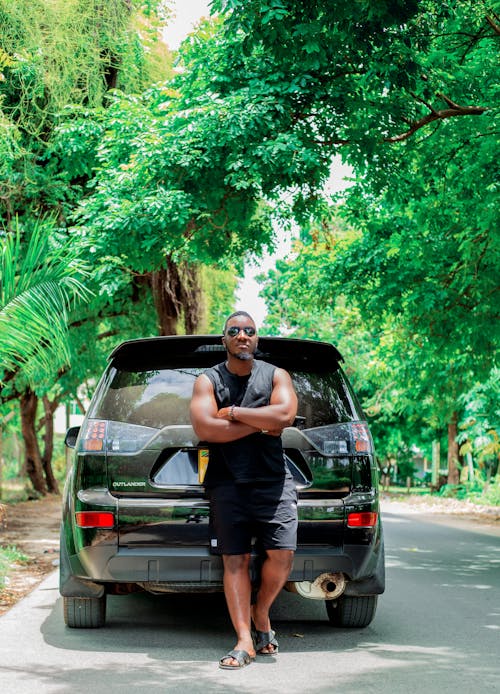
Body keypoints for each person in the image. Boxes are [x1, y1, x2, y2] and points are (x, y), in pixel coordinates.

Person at [189, 311, 298, 670]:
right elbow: (207, 428)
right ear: (224, 340)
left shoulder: (275, 375)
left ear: (256, 339)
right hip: (227, 482)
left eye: (249, 331)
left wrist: (234, 412)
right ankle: (244, 641)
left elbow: (284, 416)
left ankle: (260, 612)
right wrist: (261, 422)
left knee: (282, 555)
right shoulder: (208, 381)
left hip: (273, 482)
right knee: (235, 560)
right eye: (234, 331)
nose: (242, 336)